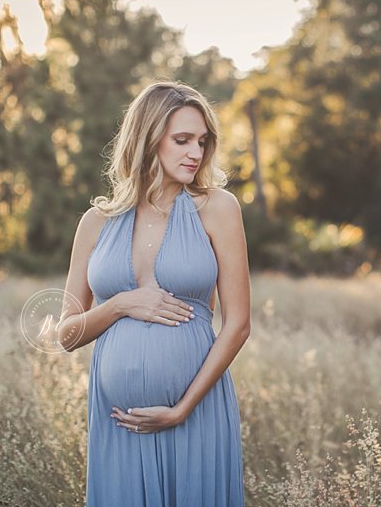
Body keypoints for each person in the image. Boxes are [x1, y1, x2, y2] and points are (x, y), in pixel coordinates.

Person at [57, 80, 250, 506]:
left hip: (195, 415)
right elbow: (66, 334)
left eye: (202, 141)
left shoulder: (218, 209)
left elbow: (237, 325)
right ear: (148, 139)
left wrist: (182, 408)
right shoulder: (95, 222)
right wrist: (121, 305)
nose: (195, 153)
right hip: (119, 425)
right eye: (182, 140)